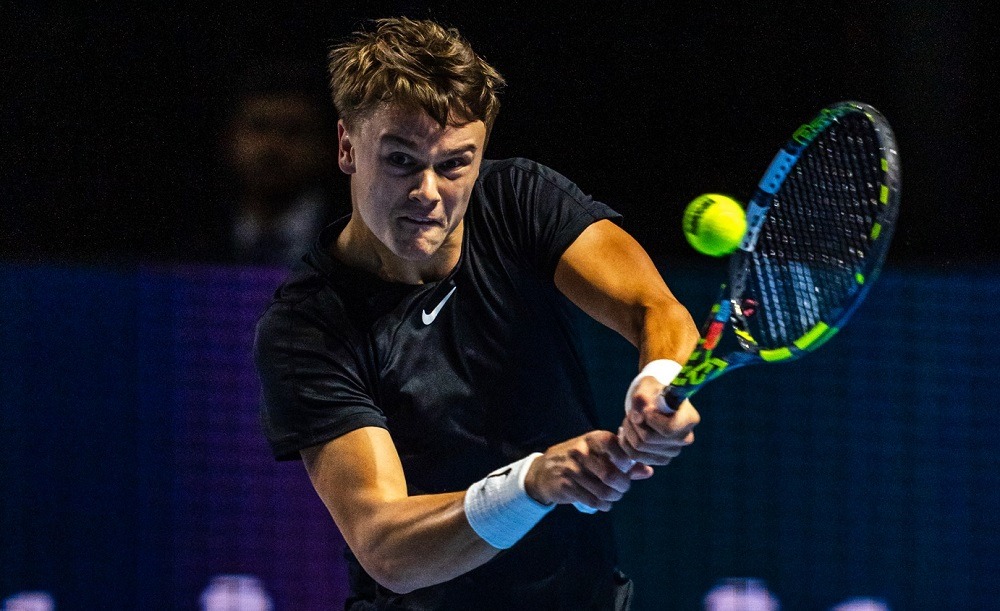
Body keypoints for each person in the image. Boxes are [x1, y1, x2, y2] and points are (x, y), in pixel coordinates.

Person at [254, 17, 701, 610]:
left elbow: (654, 308)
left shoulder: (521, 202)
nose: (428, 192)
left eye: (454, 164)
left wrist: (659, 381)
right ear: (346, 147)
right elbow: (386, 546)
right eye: (401, 160)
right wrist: (532, 483)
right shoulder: (306, 328)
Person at [206, 58, 343, 266]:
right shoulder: (189, 234)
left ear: (327, 146)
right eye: (259, 127)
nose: (272, 147)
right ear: (229, 139)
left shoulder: (353, 242)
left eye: (293, 131)